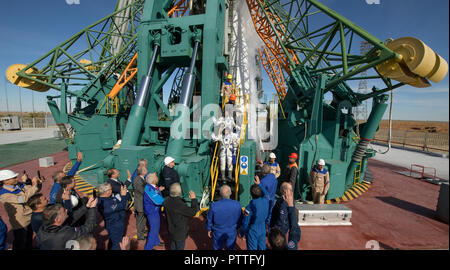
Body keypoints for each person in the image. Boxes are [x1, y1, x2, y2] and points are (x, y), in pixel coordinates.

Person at [0, 170, 41, 250]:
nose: (16, 178)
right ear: (5, 181)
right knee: (21, 241)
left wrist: (37, 183)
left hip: (29, 215)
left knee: (29, 236)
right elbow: (22, 199)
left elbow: (32, 191)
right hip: (21, 221)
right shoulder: (4, 194)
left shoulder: (19, 185)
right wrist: (34, 186)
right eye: (13, 177)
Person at [162, 183, 199, 250]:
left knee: (173, 245)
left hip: (171, 229)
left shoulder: (166, 200)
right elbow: (193, 212)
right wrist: (194, 199)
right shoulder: (180, 205)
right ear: (179, 192)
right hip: (180, 232)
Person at [206, 185, 242, 250]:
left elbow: (209, 219)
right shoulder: (237, 204)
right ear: (230, 193)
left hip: (218, 231)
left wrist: (209, 229)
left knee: (217, 248)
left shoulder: (214, 205)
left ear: (220, 194)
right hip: (231, 231)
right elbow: (240, 218)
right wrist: (238, 227)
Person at [269, 182, 301, 250]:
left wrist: (274, 229)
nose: (292, 191)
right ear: (285, 191)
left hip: (280, 227)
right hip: (282, 226)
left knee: (277, 238)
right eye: (291, 190)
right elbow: (294, 232)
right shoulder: (285, 202)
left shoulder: (285, 202)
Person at [97, 183, 128, 250]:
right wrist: (123, 196)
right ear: (107, 191)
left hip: (116, 223)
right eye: (110, 189)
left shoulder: (107, 198)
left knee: (112, 242)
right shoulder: (105, 203)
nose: (112, 190)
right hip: (114, 226)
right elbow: (122, 205)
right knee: (117, 244)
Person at [240, 184, 270, 250]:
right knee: (262, 248)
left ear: (251, 194)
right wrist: (260, 184)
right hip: (262, 228)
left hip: (253, 230)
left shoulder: (248, 208)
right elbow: (267, 194)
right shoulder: (266, 201)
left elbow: (245, 222)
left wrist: (242, 233)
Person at [143, 172, 165, 250]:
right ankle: (148, 248)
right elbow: (157, 200)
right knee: (153, 229)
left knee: (156, 227)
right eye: (156, 177)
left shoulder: (152, 186)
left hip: (155, 210)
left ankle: (156, 241)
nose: (157, 178)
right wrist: (168, 201)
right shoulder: (148, 188)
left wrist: (159, 189)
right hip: (152, 211)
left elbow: (154, 192)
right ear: (153, 180)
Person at [132, 166, 148, 241]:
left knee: (142, 218)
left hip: (142, 203)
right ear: (143, 172)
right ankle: (140, 236)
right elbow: (142, 191)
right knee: (140, 219)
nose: (147, 170)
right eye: (145, 169)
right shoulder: (138, 180)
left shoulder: (142, 179)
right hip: (140, 203)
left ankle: (142, 230)